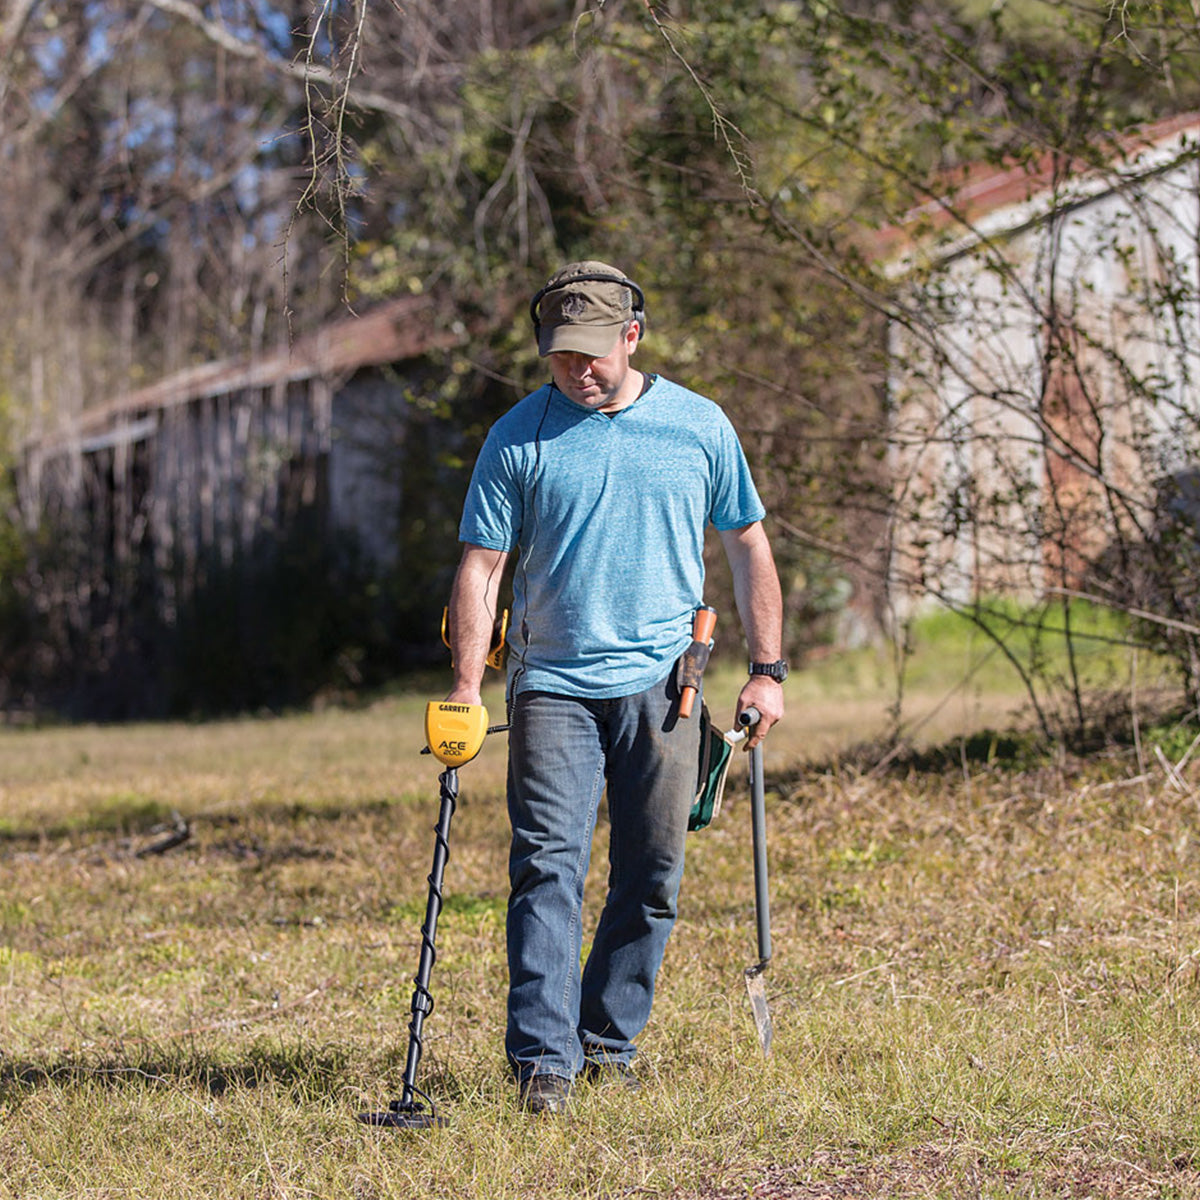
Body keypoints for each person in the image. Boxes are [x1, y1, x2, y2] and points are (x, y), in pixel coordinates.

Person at [445, 260, 786, 1114]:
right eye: (562, 356)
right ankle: (544, 1064)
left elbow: (748, 547)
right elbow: (481, 570)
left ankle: (607, 1039)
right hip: (551, 684)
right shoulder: (517, 436)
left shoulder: (698, 426)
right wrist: (463, 686)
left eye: (593, 354)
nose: (577, 371)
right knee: (547, 866)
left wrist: (767, 671)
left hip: (667, 683)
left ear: (633, 336)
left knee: (653, 871)